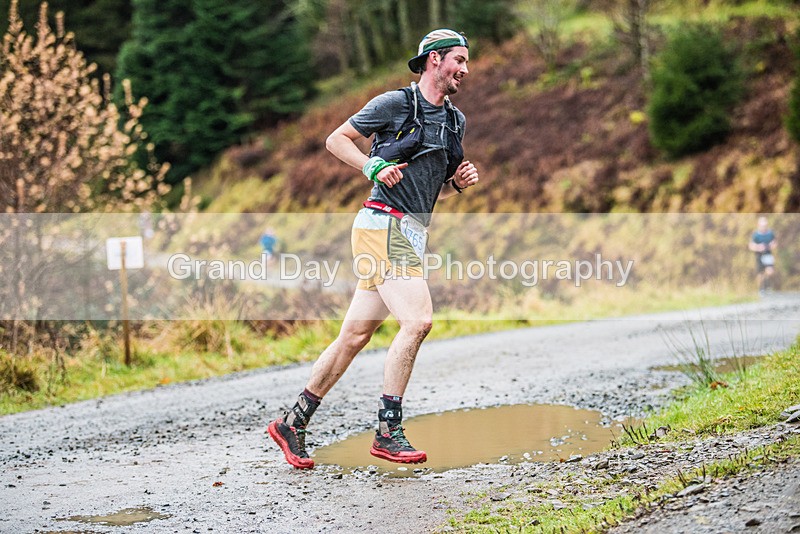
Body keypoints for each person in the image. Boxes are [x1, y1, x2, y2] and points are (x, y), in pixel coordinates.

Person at [268, 29, 479, 469]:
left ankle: (293, 422)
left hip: (410, 232)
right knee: (418, 321)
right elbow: (336, 140)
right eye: (459, 59)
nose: (465, 68)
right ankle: (388, 431)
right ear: (434, 60)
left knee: (354, 337)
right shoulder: (395, 104)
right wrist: (373, 165)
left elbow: (433, 183)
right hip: (382, 224)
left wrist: (455, 184)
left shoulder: (455, 121)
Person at [748, 216, 777, 296]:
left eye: (765, 225)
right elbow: (751, 246)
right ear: (759, 225)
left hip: (768, 254)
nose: (764, 227)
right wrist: (758, 247)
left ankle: (767, 286)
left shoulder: (770, 233)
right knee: (760, 274)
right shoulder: (756, 235)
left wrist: (771, 245)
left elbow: (774, 243)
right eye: (762, 226)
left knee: (770, 271)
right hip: (759, 255)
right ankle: (761, 289)